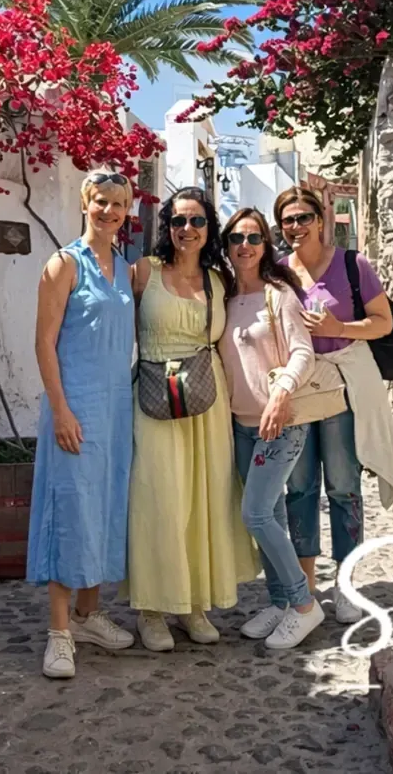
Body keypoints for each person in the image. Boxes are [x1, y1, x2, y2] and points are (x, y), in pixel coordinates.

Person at [125, 188, 258, 650]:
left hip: (207, 397)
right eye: (179, 220)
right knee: (157, 496)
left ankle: (193, 603)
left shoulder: (219, 281)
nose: (188, 229)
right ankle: (151, 608)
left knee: (204, 499)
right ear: (168, 226)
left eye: (197, 221)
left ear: (209, 228)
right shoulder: (144, 272)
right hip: (154, 394)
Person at [273, 186, 393, 625]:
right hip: (301, 389)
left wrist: (339, 327)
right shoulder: (278, 272)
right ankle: (306, 587)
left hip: (342, 389)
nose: (296, 226)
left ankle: (346, 585)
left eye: (303, 217)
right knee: (299, 488)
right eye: (287, 220)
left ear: (320, 220)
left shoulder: (353, 265)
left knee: (343, 486)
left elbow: (383, 323)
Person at [28, 170, 139, 679]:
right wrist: (61, 409)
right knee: (70, 509)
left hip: (116, 409)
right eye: (101, 201)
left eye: (118, 204)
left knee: (105, 506)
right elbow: (44, 342)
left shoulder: (124, 266)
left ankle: (89, 615)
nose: (109, 211)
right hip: (75, 405)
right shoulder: (63, 264)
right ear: (84, 203)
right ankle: (58, 632)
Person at [219, 208, 326, 649]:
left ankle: (303, 604)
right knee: (272, 514)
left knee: (256, 514)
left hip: (280, 424)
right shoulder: (224, 297)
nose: (244, 246)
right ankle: (280, 601)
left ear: (265, 245)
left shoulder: (278, 294)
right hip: (240, 425)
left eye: (253, 238)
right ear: (226, 246)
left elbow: (303, 352)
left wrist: (282, 392)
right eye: (236, 238)